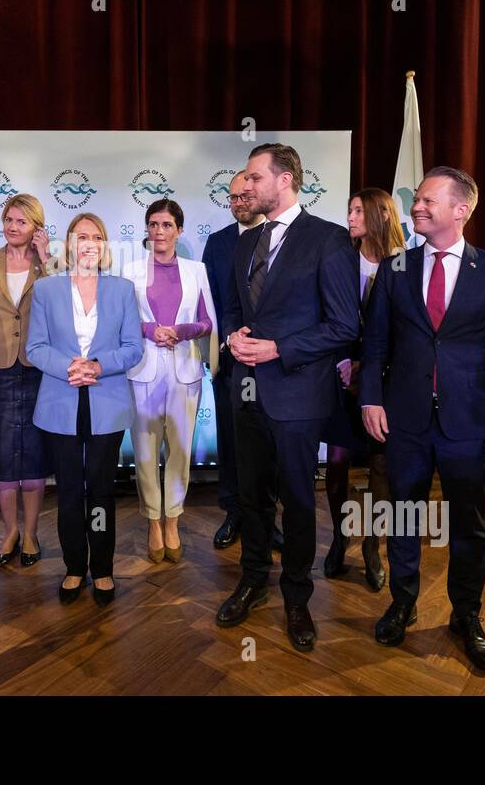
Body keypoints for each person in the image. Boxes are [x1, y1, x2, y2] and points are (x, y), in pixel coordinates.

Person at [361, 166, 485, 673]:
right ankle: (403, 602)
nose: (416, 206)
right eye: (417, 200)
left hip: (469, 421)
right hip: (404, 420)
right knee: (405, 515)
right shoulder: (394, 269)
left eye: (429, 200)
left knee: (467, 525)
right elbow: (375, 344)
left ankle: (467, 617)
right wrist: (371, 398)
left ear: (461, 210)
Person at [214, 144, 360, 653]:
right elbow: (230, 309)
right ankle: (253, 578)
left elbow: (345, 325)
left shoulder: (330, 240)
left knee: (298, 500)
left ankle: (297, 595)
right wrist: (233, 335)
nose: (245, 187)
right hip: (245, 394)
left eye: (254, 178)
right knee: (249, 495)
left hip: (299, 396)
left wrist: (279, 348)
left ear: (285, 180)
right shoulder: (243, 243)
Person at [26, 213, 143, 607]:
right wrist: (69, 368)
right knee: (70, 491)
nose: (89, 243)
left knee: (102, 490)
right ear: (69, 244)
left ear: (105, 245)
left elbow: (133, 348)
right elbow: (36, 348)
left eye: (96, 236)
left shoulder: (123, 289)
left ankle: (104, 569)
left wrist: (97, 366)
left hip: (106, 402)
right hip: (59, 401)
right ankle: (75, 567)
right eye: (81, 236)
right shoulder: (45, 289)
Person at [122, 199, 216, 564]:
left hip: (185, 370)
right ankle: (152, 522)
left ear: (179, 230)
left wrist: (182, 330)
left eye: (166, 225)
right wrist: (150, 329)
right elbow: (122, 318)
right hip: (143, 369)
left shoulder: (197, 270)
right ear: (146, 230)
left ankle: (173, 518)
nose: (159, 231)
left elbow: (208, 321)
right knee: (145, 452)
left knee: (180, 450)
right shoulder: (130, 271)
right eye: (153, 224)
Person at [322, 188, 404, 590]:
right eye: (349, 209)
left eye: (358, 210)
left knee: (381, 469)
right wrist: (343, 363)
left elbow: (408, 332)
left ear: (380, 215)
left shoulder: (404, 266)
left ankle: (373, 546)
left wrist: (370, 369)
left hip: (386, 382)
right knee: (336, 462)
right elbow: (322, 314)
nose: (350, 217)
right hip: (338, 376)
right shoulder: (338, 258)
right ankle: (340, 537)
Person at [0, 194, 54, 568]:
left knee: (34, 458)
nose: (13, 227)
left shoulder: (50, 267)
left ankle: (32, 532)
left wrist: (48, 261)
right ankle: (10, 532)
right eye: (9, 220)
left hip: (40, 372)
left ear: (36, 226)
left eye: (21, 221)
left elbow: (64, 309)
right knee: (3, 460)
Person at [201, 172, 281, 552]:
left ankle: (268, 518)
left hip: (277, 363)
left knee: (272, 443)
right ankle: (233, 511)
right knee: (233, 441)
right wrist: (219, 348)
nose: (238, 203)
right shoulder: (217, 244)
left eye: (244, 196)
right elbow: (209, 301)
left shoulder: (285, 239)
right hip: (230, 362)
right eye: (231, 198)